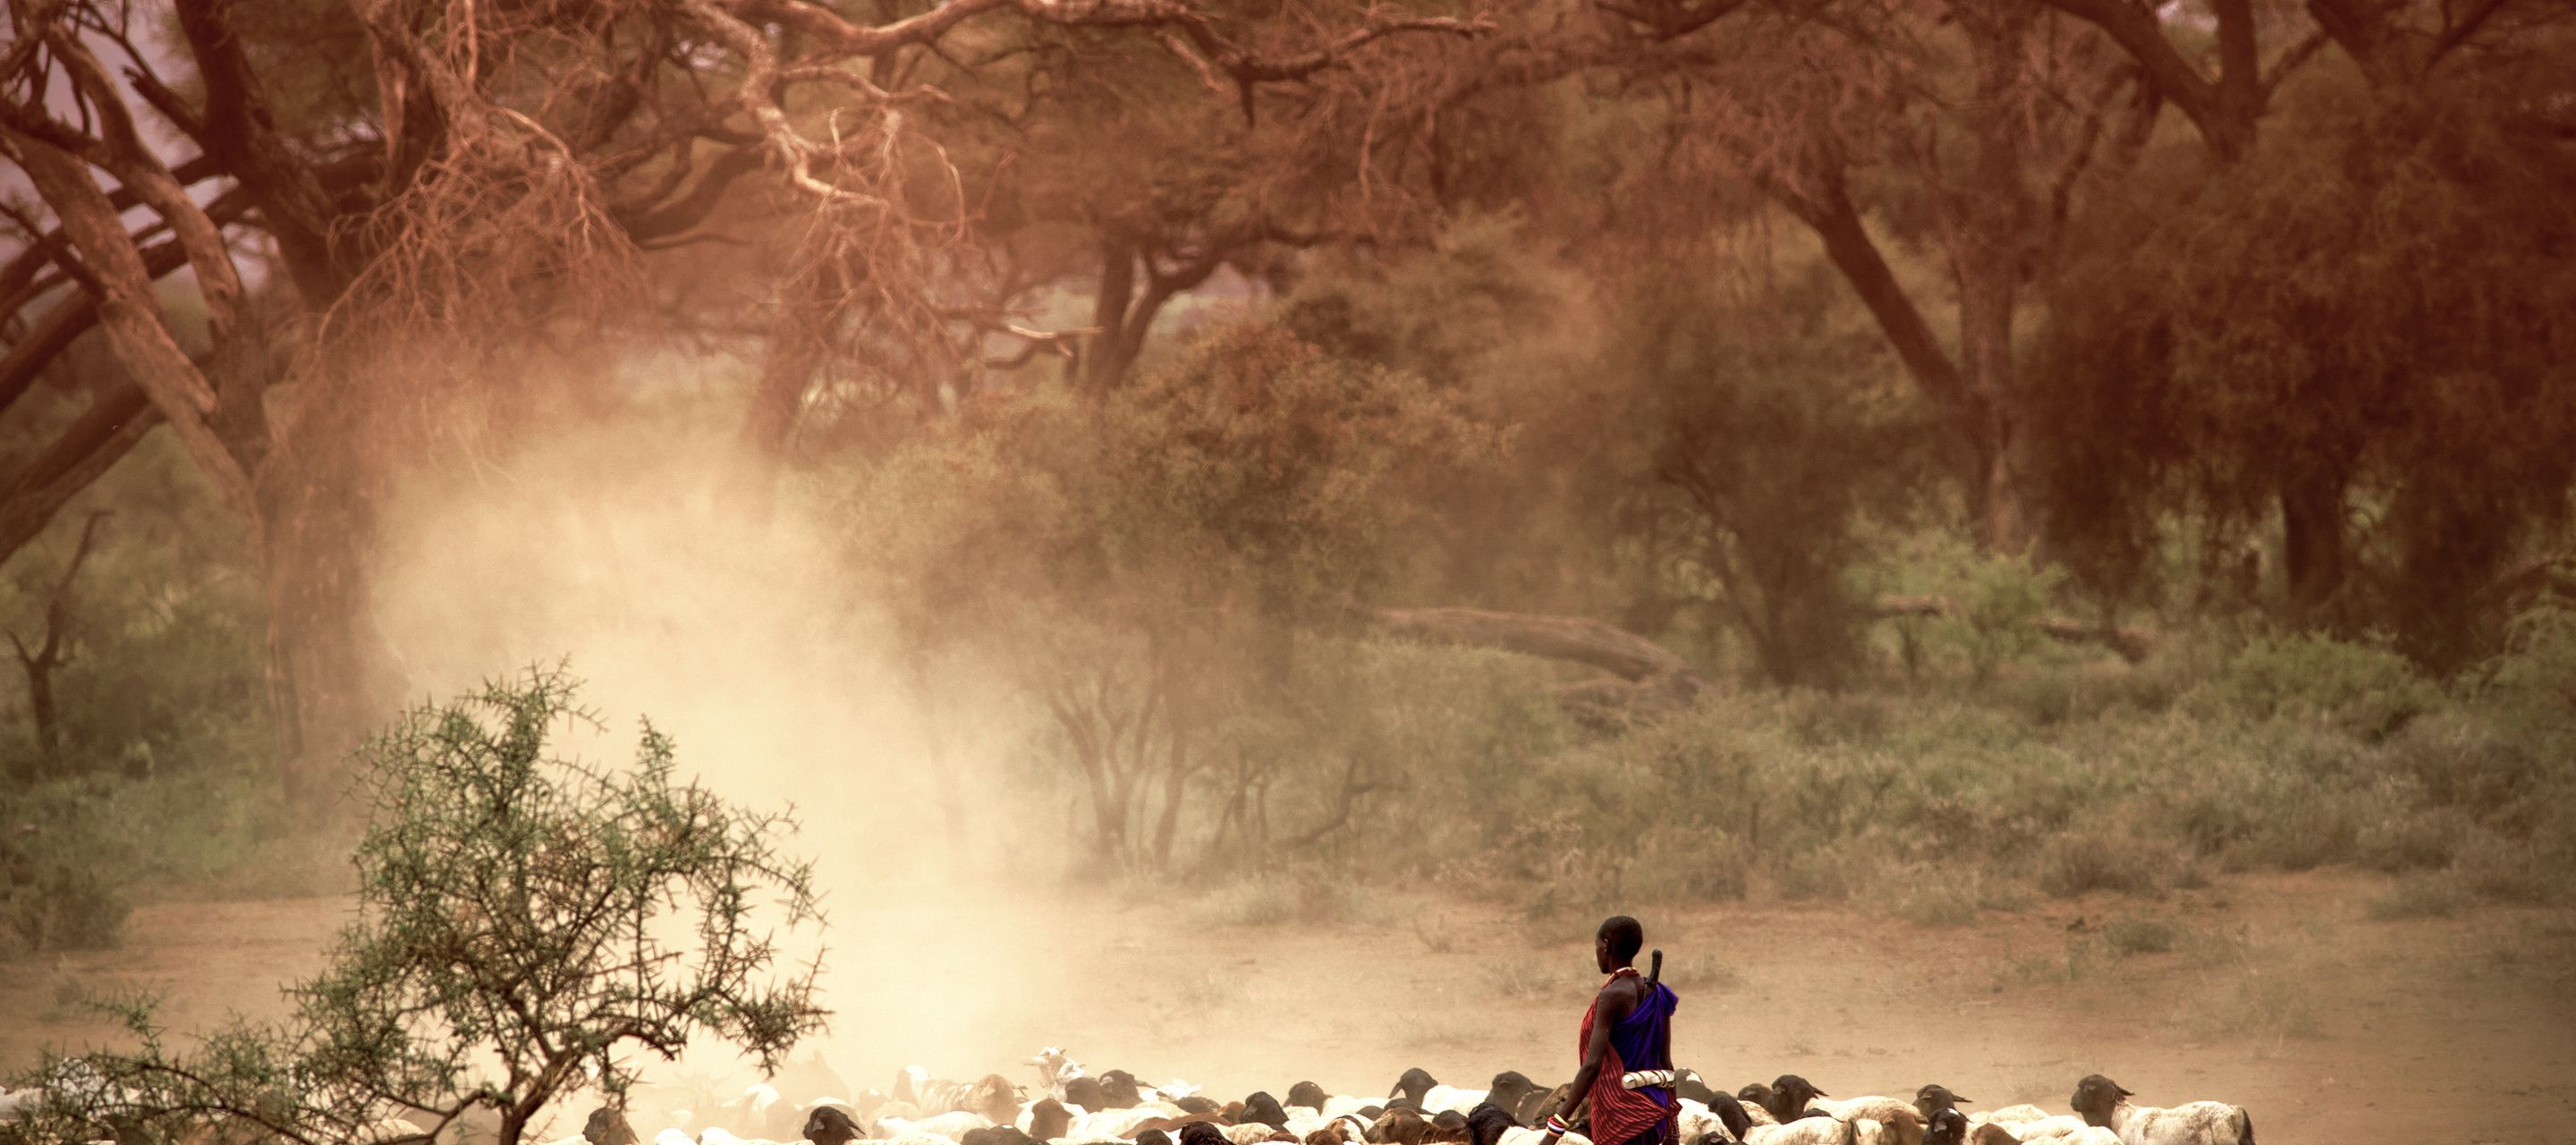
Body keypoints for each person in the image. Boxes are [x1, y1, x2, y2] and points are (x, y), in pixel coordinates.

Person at [1539, 915, 1679, 1145]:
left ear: (1607, 946)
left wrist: (1554, 1130)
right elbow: (1667, 1064)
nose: (1597, 953)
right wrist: (1672, 1124)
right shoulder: (1657, 993)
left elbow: (1592, 1065)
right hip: (1657, 1113)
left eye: (1597, 946)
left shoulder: (1612, 995)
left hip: (1622, 1118)